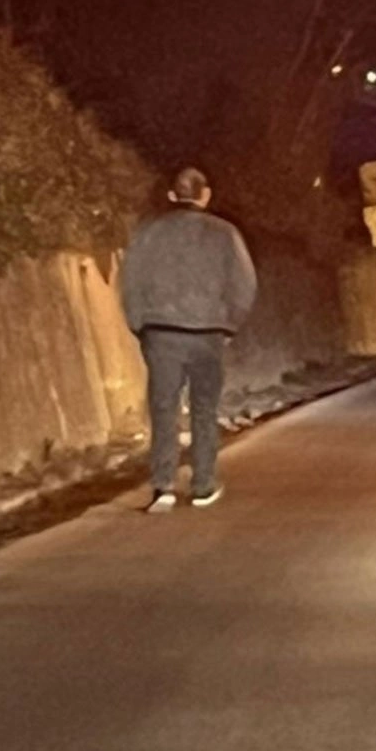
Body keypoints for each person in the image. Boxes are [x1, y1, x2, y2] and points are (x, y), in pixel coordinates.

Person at [121, 168, 257, 513]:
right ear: (205, 194)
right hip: (208, 334)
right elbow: (244, 285)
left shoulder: (148, 232)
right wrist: (229, 325)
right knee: (204, 410)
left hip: (161, 332)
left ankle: (163, 486)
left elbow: (131, 281)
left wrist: (141, 326)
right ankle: (203, 485)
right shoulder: (225, 234)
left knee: (163, 409)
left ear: (172, 195)